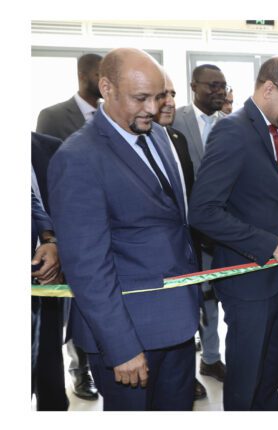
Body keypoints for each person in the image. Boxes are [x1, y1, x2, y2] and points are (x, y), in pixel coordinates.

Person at [48, 48, 201, 411]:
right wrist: (121, 347)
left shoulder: (159, 135)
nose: (153, 108)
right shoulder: (78, 158)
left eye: (159, 96)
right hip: (129, 337)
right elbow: (88, 268)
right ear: (107, 88)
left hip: (178, 325)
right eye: (141, 98)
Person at [188, 55, 278, 411]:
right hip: (248, 280)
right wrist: (269, 244)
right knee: (246, 378)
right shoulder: (232, 131)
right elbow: (203, 212)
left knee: (269, 375)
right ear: (269, 88)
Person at [35, 53, 102, 401]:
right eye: (99, 72)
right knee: (69, 306)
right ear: (84, 74)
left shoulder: (111, 116)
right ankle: (80, 370)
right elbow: (43, 178)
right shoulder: (53, 115)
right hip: (62, 228)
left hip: (101, 224)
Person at [172, 64, 228, 385]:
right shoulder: (174, 120)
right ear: (194, 86)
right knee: (190, 298)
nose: (219, 91)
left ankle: (211, 359)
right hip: (184, 230)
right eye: (212, 85)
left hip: (220, 229)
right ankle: (186, 371)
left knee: (212, 295)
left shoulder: (231, 125)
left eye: (223, 86)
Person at [153, 73, 207, 400]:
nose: (170, 101)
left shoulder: (177, 139)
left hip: (187, 250)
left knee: (189, 317)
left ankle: (190, 372)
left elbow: (189, 195)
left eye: (172, 93)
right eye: (162, 94)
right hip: (155, 262)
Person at [31, 135, 68, 410]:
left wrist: (51, 242)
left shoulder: (49, 147)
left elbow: (37, 204)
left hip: (45, 285)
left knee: (49, 378)